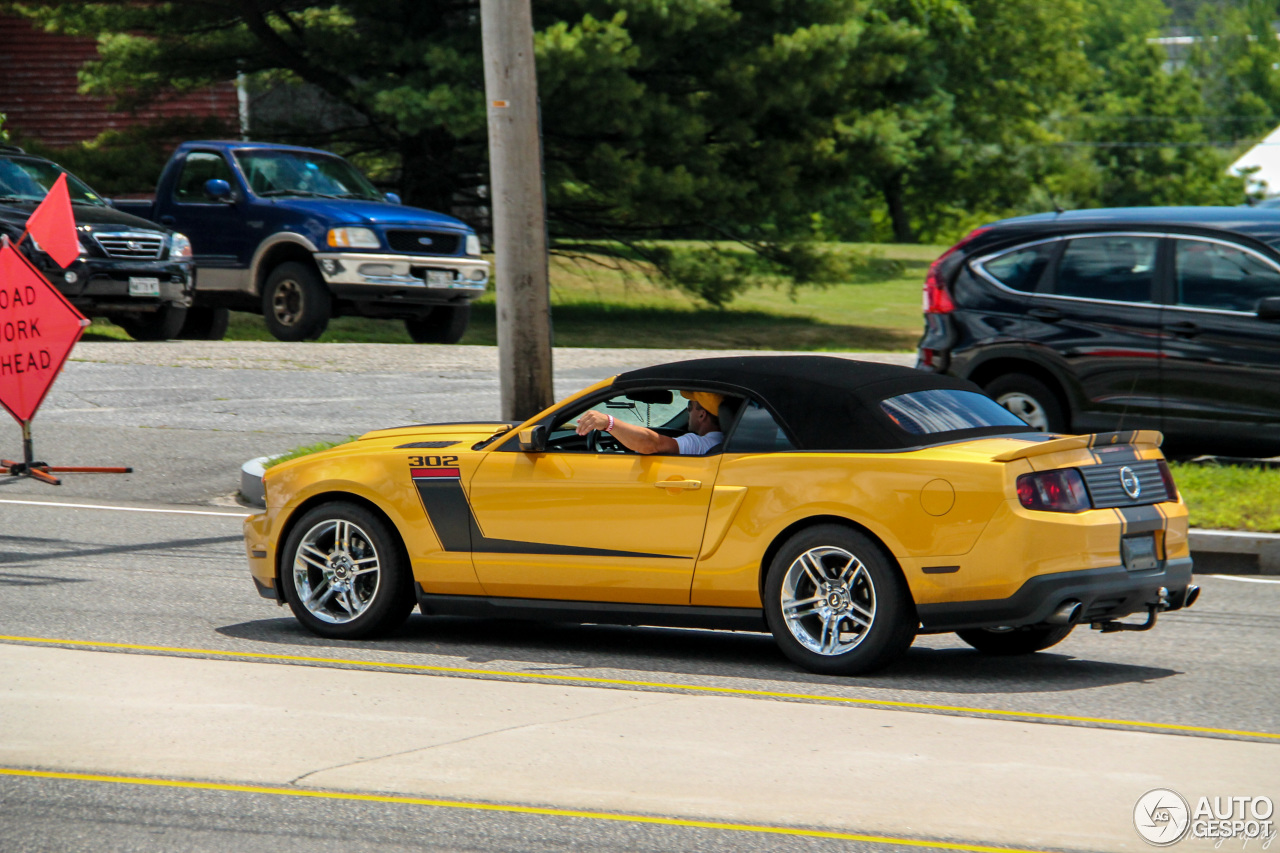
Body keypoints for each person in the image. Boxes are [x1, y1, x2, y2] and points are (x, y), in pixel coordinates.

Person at [576, 391, 725, 455]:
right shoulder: (722, 440)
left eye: (689, 407)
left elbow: (653, 444)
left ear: (702, 414)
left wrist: (608, 423)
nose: (688, 412)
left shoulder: (701, 444)